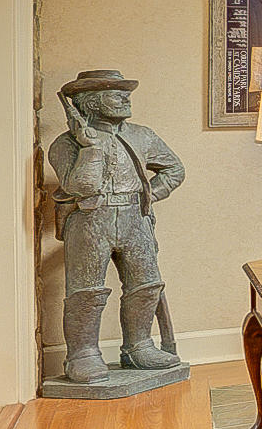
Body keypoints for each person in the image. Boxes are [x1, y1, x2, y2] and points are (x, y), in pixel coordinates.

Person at [48, 68, 186, 384]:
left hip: (134, 219)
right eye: (115, 93)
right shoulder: (66, 143)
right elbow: (80, 186)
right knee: (86, 291)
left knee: (146, 284)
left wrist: (148, 198)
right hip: (89, 220)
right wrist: (92, 148)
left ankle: (139, 346)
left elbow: (174, 170)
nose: (125, 98)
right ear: (92, 103)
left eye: (125, 92)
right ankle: (82, 354)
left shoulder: (142, 136)